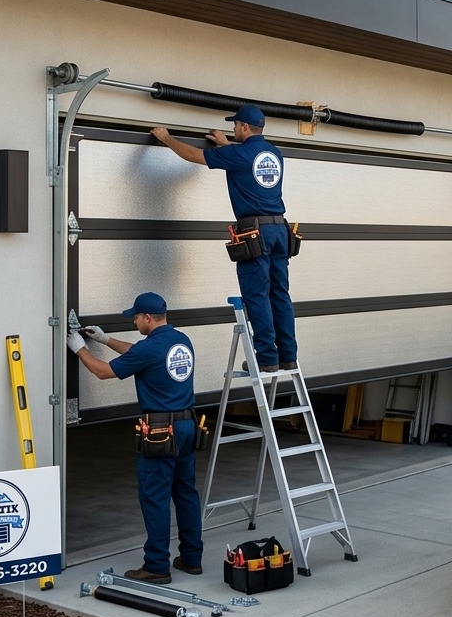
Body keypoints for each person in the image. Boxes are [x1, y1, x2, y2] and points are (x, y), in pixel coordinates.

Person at [67, 292, 203, 584]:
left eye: (136, 317)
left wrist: (80, 349)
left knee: (155, 497)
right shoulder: (180, 341)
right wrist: (105, 341)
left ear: (148, 318)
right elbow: (138, 352)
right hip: (187, 426)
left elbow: (103, 372)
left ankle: (156, 566)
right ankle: (192, 558)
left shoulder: (150, 348)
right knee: (185, 493)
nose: (134, 320)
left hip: (160, 432)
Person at [151, 105, 297, 373]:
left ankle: (266, 357)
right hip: (279, 231)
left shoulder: (238, 154)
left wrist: (166, 138)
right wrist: (226, 144)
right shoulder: (273, 153)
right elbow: (246, 159)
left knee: (257, 296)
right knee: (280, 294)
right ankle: (288, 355)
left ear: (243, 127)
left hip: (256, 234)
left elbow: (195, 155)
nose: (232, 129)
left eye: (234, 126)